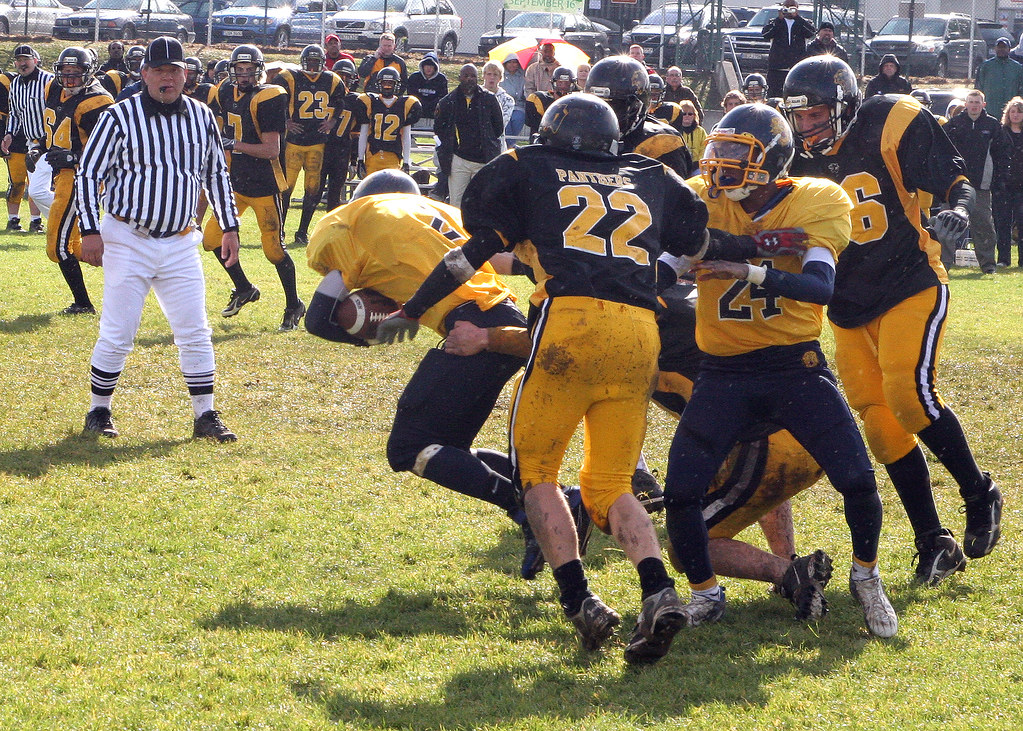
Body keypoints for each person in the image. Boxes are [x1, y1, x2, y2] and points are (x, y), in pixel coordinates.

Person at [376, 93, 710, 664]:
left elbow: (470, 253)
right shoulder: (649, 173)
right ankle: (657, 590)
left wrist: (412, 308)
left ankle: (581, 601)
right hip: (638, 333)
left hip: (569, 327)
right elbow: (698, 240)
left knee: (538, 476)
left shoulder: (528, 166)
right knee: (612, 484)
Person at [444, 269, 835, 622]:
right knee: (737, 486)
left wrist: (487, 337)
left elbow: (561, 342)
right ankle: (787, 563)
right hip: (799, 430)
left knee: (689, 548)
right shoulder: (672, 288)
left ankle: (789, 573)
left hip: (765, 443)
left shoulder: (635, 305)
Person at [664, 102, 896, 639]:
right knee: (680, 492)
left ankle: (866, 576)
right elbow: (669, 264)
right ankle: (705, 592)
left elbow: (820, 288)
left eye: (734, 152)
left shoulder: (817, 199)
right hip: (722, 371)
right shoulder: (704, 200)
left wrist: (741, 266)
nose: (718, 161)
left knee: (858, 480)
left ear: (772, 159)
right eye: (717, 148)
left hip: (795, 366)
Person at [782, 55, 1002, 585]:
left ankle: (979, 492)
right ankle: (934, 542)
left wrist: (960, 211)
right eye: (800, 116)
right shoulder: (793, 157)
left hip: (910, 282)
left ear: (842, 105)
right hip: (848, 304)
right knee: (880, 425)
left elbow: (956, 182)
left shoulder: (892, 118)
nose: (806, 125)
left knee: (909, 394)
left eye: (815, 114)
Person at [305, 168, 586, 580]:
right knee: (448, 447)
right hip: (505, 318)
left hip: (470, 328)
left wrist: (365, 337)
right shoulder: (442, 213)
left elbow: (317, 319)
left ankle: (530, 510)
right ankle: (562, 501)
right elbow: (505, 261)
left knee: (409, 447)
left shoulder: (351, 220)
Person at [76, 36, 240, 443]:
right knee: (119, 330)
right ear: (144, 74)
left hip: (181, 238)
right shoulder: (118, 117)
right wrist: (90, 230)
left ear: (186, 74)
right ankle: (99, 410)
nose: (168, 77)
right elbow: (87, 175)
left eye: (175, 70)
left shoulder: (203, 116)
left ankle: (205, 414)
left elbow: (216, 174)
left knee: (195, 329)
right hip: (128, 235)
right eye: (159, 70)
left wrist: (230, 225)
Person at [205, 44, 306, 332]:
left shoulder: (270, 96)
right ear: (232, 70)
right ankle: (244, 287)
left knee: (273, 250)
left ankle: (294, 304)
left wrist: (232, 144)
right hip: (234, 182)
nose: (245, 76)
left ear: (259, 72)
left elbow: (271, 150)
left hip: (264, 184)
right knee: (211, 240)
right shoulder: (224, 90)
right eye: (240, 70)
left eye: (250, 71)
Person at [41, 47, 114, 317]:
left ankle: (83, 303)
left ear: (89, 72)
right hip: (61, 173)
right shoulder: (53, 87)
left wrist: (72, 156)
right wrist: (40, 145)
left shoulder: (97, 101)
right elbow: (54, 124)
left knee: (57, 247)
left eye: (76, 74)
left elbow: (109, 148)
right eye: (65, 73)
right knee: (69, 245)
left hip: (81, 177)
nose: (69, 79)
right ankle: (129, 260)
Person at [274, 44, 346, 246]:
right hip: (294, 143)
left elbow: (341, 102)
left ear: (322, 62)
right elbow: (274, 99)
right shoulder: (288, 77)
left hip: (317, 143)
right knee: (286, 190)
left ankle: (302, 232)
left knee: (312, 189)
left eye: (317, 62)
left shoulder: (332, 80)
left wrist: (332, 121)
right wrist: (286, 121)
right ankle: (280, 231)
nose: (313, 66)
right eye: (310, 61)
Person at [944, 90, 1004, 274]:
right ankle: (944, 265)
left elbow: (1002, 153)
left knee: (984, 225)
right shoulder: (954, 125)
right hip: (955, 185)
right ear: (966, 103)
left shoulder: (993, 125)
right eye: (971, 101)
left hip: (982, 186)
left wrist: (996, 179)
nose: (974, 105)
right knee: (947, 224)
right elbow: (942, 151)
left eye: (978, 102)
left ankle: (988, 265)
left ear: (983, 104)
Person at [433, 64, 503, 208]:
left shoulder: (489, 99)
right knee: (456, 203)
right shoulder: (448, 101)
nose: (470, 79)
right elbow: (439, 129)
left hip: (484, 161)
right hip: (459, 161)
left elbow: (498, 128)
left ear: (478, 79)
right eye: (466, 76)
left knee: (483, 203)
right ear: (460, 78)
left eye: (473, 76)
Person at [0, 46, 47, 233]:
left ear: (35, 60)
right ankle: (14, 220)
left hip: (48, 143)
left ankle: (39, 221)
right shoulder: (16, 84)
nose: (22, 63)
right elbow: (15, 114)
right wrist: (9, 133)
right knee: (20, 182)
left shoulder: (48, 80)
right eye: (18, 60)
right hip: (27, 142)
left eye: (26, 59)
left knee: (41, 186)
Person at [356, 66, 422, 178]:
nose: (387, 86)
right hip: (373, 154)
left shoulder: (405, 104)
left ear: (396, 84)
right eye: (384, 83)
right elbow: (363, 133)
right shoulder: (370, 102)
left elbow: (406, 136)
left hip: (393, 155)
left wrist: (406, 162)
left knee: (390, 190)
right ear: (379, 84)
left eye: (390, 83)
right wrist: (360, 159)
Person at [321, 58, 360, 212]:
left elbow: (356, 133)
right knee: (314, 193)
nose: (343, 80)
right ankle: (302, 232)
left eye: (346, 76)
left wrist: (354, 159)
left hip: (341, 152)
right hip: (321, 149)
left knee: (334, 196)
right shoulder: (323, 96)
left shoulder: (357, 100)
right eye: (339, 75)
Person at [761, 0, 814, 98]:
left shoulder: (802, 22)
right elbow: (765, 34)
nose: (789, 9)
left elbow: (811, 33)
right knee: (775, 95)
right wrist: (779, 19)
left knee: (795, 95)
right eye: (787, 7)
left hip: (796, 67)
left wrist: (797, 17)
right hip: (777, 68)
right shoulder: (775, 22)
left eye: (792, 7)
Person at [994, 97, 1023, 266]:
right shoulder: (1000, 132)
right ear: (1008, 113)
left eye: (1019, 111)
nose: (1016, 115)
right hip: (1002, 185)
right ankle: (1003, 259)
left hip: (1021, 185)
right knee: (1002, 224)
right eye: (1013, 111)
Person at [975, 37, 1023, 128]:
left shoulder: (1018, 68)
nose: (1001, 49)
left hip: (1011, 115)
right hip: (990, 112)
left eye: (1004, 47)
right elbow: (978, 90)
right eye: (999, 47)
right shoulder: (985, 66)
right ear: (995, 49)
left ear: (1009, 49)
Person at [524, 65, 574, 138]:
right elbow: (533, 124)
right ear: (553, 83)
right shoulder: (538, 99)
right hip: (543, 139)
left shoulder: (574, 102)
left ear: (571, 84)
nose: (563, 86)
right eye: (560, 83)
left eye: (567, 84)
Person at [405, 51, 447, 130]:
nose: (428, 68)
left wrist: (430, 106)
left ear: (435, 67)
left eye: (431, 66)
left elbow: (442, 98)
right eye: (426, 65)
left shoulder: (441, 79)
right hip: (417, 109)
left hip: (434, 111)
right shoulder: (414, 78)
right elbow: (411, 96)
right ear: (422, 66)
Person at [482, 61, 514, 148]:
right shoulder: (475, 95)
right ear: (484, 76)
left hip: (497, 144)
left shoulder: (508, 100)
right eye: (489, 74)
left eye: (495, 74)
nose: (492, 77)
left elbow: (501, 124)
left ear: (500, 78)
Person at [499, 54, 527, 137]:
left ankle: (510, 143)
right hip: (503, 106)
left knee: (518, 118)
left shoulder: (523, 76)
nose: (512, 64)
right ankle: (510, 145)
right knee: (506, 122)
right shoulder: (500, 75)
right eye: (509, 62)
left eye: (514, 62)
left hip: (518, 106)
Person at [676, 100, 705, 172]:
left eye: (690, 114)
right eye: (684, 114)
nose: (687, 116)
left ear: (694, 115)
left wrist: (697, 163)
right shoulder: (675, 131)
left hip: (697, 167)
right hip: (679, 167)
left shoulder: (700, 131)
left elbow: (705, 148)